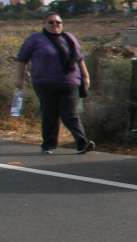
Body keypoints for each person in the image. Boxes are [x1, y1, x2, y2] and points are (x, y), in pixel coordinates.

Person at [14, 12, 93, 153]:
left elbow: (79, 59)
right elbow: (22, 58)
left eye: (58, 22)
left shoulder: (69, 38)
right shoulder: (35, 39)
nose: (55, 25)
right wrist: (19, 78)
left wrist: (86, 76)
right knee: (50, 114)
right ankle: (48, 145)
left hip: (69, 82)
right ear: (44, 24)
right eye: (51, 22)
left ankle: (82, 143)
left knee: (71, 114)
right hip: (45, 83)